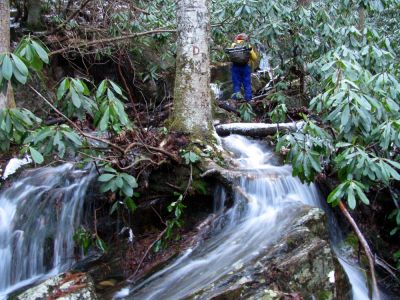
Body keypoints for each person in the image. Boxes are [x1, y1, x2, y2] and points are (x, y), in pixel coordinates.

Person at [230, 33, 257, 102]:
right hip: (245, 67)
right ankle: (248, 99)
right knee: (247, 83)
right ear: (245, 39)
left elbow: (231, 56)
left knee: (236, 84)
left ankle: (236, 100)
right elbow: (254, 58)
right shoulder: (247, 45)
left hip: (235, 67)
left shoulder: (233, 45)